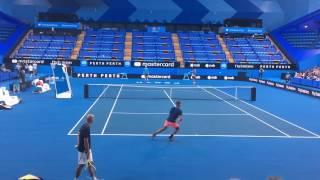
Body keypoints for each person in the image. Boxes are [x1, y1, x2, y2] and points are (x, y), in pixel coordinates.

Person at [75, 114, 97, 180]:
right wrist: (87, 152)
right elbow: (86, 141)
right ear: (91, 120)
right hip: (84, 151)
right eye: (93, 118)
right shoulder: (87, 128)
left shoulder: (84, 125)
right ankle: (75, 178)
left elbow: (78, 134)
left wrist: (78, 144)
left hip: (83, 149)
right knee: (81, 165)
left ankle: (94, 178)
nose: (93, 119)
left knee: (89, 164)